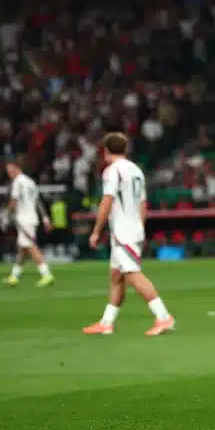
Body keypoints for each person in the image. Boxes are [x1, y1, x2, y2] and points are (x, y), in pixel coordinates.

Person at [82, 133, 175, 337]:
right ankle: (106, 323)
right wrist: (139, 228)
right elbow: (143, 203)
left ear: (106, 151)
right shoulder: (136, 171)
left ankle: (163, 316)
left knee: (132, 274)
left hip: (123, 231)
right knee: (116, 276)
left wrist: (96, 230)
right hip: (133, 228)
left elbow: (107, 201)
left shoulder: (112, 171)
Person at [1, 159, 54, 287]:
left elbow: (13, 201)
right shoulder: (30, 182)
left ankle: (46, 274)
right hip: (31, 218)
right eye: (8, 171)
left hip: (24, 219)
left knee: (30, 246)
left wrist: (6, 216)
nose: (9, 173)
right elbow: (38, 201)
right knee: (22, 249)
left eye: (11, 170)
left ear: (17, 168)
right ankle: (14, 276)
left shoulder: (17, 182)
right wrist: (45, 218)